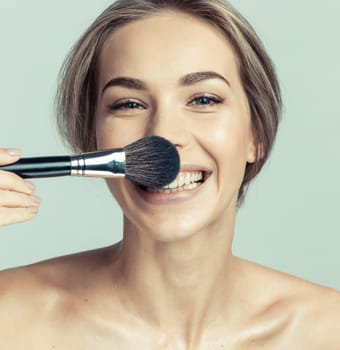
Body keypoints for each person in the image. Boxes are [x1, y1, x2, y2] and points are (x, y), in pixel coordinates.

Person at [0, 0, 339, 348]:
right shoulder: (10, 318)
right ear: (93, 140)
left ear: (256, 136)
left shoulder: (328, 329)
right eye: (129, 104)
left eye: (204, 99)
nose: (163, 133)